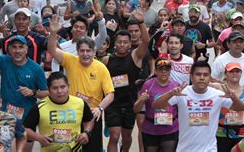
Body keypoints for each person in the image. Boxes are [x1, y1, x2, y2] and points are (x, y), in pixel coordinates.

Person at [48, 14, 115, 152]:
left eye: (88, 51)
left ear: (94, 51)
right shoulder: (70, 60)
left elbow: (110, 94)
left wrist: (100, 109)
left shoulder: (101, 68)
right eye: (82, 51)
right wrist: (53, 32)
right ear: (77, 52)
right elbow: (52, 50)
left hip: (92, 114)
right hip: (70, 113)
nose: (85, 54)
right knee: (68, 148)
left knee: (92, 149)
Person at [153, 61, 244, 152]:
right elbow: (156, 105)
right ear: (191, 77)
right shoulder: (181, 93)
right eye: (198, 74)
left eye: (205, 75)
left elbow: (241, 109)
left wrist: (234, 97)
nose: (202, 78)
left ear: (209, 77)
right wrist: (171, 93)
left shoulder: (217, 95)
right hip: (185, 149)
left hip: (209, 149)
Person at [101, 9, 149, 152]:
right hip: (112, 103)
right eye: (119, 42)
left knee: (126, 137)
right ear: (114, 43)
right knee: (114, 136)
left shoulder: (135, 56)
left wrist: (141, 22)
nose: (122, 44)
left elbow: (146, 41)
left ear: (130, 44)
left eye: (125, 42)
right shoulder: (106, 60)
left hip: (130, 103)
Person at [0, 29, 48, 124]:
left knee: (25, 139)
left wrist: (33, 92)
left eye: (21, 47)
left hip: (27, 116)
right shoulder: (5, 60)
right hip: (5, 114)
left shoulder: (36, 69)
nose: (17, 51)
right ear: (9, 50)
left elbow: (46, 93)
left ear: (26, 50)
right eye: (14, 47)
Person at [23, 72, 94, 151]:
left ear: (69, 87)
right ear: (49, 89)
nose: (59, 91)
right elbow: (25, 129)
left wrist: (86, 132)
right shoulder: (39, 107)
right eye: (55, 88)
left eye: (63, 87)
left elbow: (89, 119)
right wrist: (39, 138)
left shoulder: (80, 103)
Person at [134, 56, 179, 152]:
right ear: (155, 71)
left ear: (170, 71)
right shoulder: (148, 85)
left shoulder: (176, 86)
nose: (164, 72)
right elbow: (136, 109)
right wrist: (141, 100)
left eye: (166, 69)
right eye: (161, 69)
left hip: (171, 129)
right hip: (151, 130)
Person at [212, 63, 244, 151]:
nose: (235, 73)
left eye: (237, 71)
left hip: (241, 131)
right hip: (221, 131)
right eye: (231, 71)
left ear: (241, 74)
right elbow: (202, 83)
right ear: (226, 74)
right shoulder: (218, 88)